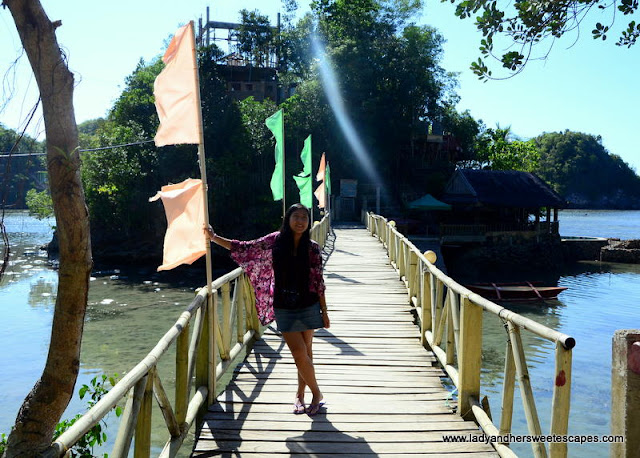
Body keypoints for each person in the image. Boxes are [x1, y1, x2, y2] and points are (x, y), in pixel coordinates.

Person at [205, 203, 330, 416]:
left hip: (308, 304)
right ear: (288, 219)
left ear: (308, 222)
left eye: (304, 218)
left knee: (306, 352)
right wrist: (215, 237)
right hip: (284, 305)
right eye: (296, 217)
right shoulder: (275, 242)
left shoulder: (312, 248)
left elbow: (318, 282)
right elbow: (245, 248)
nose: (300, 221)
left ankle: (300, 394)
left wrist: (324, 312)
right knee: (299, 353)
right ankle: (317, 393)